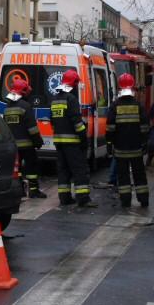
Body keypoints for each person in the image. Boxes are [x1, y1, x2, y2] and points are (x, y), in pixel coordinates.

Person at [49, 69, 95, 207]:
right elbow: (77, 122)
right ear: (73, 84)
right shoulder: (71, 99)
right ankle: (83, 199)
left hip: (59, 142)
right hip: (72, 143)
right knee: (79, 169)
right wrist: (83, 139)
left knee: (63, 170)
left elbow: (52, 120)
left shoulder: (55, 99)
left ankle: (64, 198)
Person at [106, 73, 150, 208]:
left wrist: (109, 144)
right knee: (139, 175)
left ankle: (125, 201)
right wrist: (144, 143)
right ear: (132, 88)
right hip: (136, 148)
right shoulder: (139, 106)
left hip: (120, 149)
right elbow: (144, 127)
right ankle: (143, 200)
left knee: (123, 175)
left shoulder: (114, 106)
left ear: (120, 88)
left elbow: (110, 128)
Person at [3, 78, 47, 199]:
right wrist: (38, 141)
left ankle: (20, 190)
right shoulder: (25, 106)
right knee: (32, 167)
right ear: (23, 92)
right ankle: (34, 190)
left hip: (13, 145)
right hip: (27, 145)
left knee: (18, 169)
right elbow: (32, 128)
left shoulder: (8, 107)